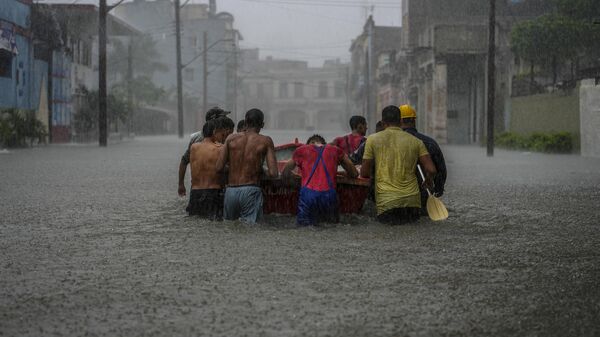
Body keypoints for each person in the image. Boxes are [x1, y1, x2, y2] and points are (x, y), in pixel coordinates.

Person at [360, 105, 436, 224]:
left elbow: (364, 173)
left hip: (387, 202)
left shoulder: (372, 140)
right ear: (400, 121)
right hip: (412, 203)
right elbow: (431, 169)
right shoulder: (416, 142)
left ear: (383, 122)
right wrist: (429, 180)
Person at [215, 108, 278, 224]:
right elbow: (274, 173)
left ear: (245, 122)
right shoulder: (266, 141)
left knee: (229, 228)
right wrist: (261, 170)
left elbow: (218, 167)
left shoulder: (230, 139)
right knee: (250, 231)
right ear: (262, 124)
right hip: (251, 190)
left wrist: (235, 168)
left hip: (230, 192)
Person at [282, 135, 358, 226]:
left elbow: (285, 173)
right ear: (324, 144)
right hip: (329, 196)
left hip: (308, 196)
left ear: (308, 144)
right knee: (331, 226)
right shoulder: (335, 150)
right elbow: (354, 173)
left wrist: (294, 180)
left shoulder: (301, 150)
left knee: (304, 228)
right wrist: (339, 174)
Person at [399, 104, 447, 214]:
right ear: (414, 121)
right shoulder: (430, 143)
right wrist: (438, 189)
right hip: (424, 193)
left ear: (399, 121)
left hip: (396, 196)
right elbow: (440, 169)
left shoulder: (391, 143)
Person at [178, 107, 232, 197]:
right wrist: (181, 184)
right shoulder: (199, 138)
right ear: (214, 121)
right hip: (210, 189)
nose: (225, 120)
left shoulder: (223, 136)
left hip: (204, 189)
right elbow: (184, 161)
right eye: (223, 118)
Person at [186, 119, 230, 219]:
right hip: (213, 193)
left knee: (197, 223)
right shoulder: (220, 148)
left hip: (195, 193)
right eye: (222, 134)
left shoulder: (193, 147)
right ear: (214, 132)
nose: (223, 138)